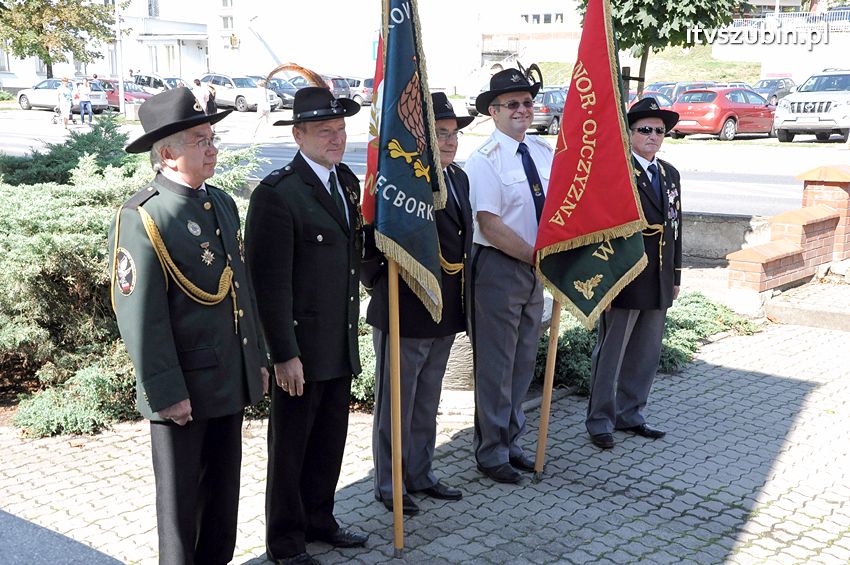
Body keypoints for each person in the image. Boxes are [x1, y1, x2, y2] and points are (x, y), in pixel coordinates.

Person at [107, 87, 269, 564]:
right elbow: (141, 316)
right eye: (200, 140)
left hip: (227, 378)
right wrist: (165, 391)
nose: (212, 148)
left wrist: (254, 360)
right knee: (180, 509)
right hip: (184, 388)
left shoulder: (220, 203)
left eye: (211, 138)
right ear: (167, 154)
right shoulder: (143, 215)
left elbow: (241, 288)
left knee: (221, 498)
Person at [245, 87, 368, 565]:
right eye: (324, 131)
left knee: (328, 443)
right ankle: (286, 542)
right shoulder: (278, 194)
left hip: (337, 342)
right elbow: (268, 284)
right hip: (300, 348)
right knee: (291, 450)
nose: (336, 139)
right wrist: (283, 353)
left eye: (340, 130)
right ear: (298, 136)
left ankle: (320, 519)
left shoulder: (346, 182)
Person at [361, 91, 474, 516]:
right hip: (405, 307)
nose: (450, 141)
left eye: (454, 134)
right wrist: (383, 286)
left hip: (444, 308)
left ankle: (421, 473)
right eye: (440, 133)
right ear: (422, 139)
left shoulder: (458, 178)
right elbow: (370, 239)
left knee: (427, 399)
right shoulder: (403, 179)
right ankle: (389, 482)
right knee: (397, 403)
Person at [463, 68, 553, 484]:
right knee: (497, 366)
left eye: (527, 103)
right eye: (512, 104)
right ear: (493, 112)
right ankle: (491, 451)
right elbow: (490, 224)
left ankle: (512, 440)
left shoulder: (543, 152)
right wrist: (538, 258)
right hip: (500, 267)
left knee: (523, 362)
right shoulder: (484, 160)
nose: (522, 110)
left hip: (535, 269)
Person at [585, 97, 683, 450]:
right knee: (611, 353)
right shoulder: (616, 172)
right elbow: (600, 230)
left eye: (659, 130)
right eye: (644, 130)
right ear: (628, 133)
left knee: (646, 353)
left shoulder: (669, 174)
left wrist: (675, 274)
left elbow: (676, 226)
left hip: (658, 276)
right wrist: (604, 285)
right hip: (624, 277)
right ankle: (599, 420)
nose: (653, 136)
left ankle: (631, 413)